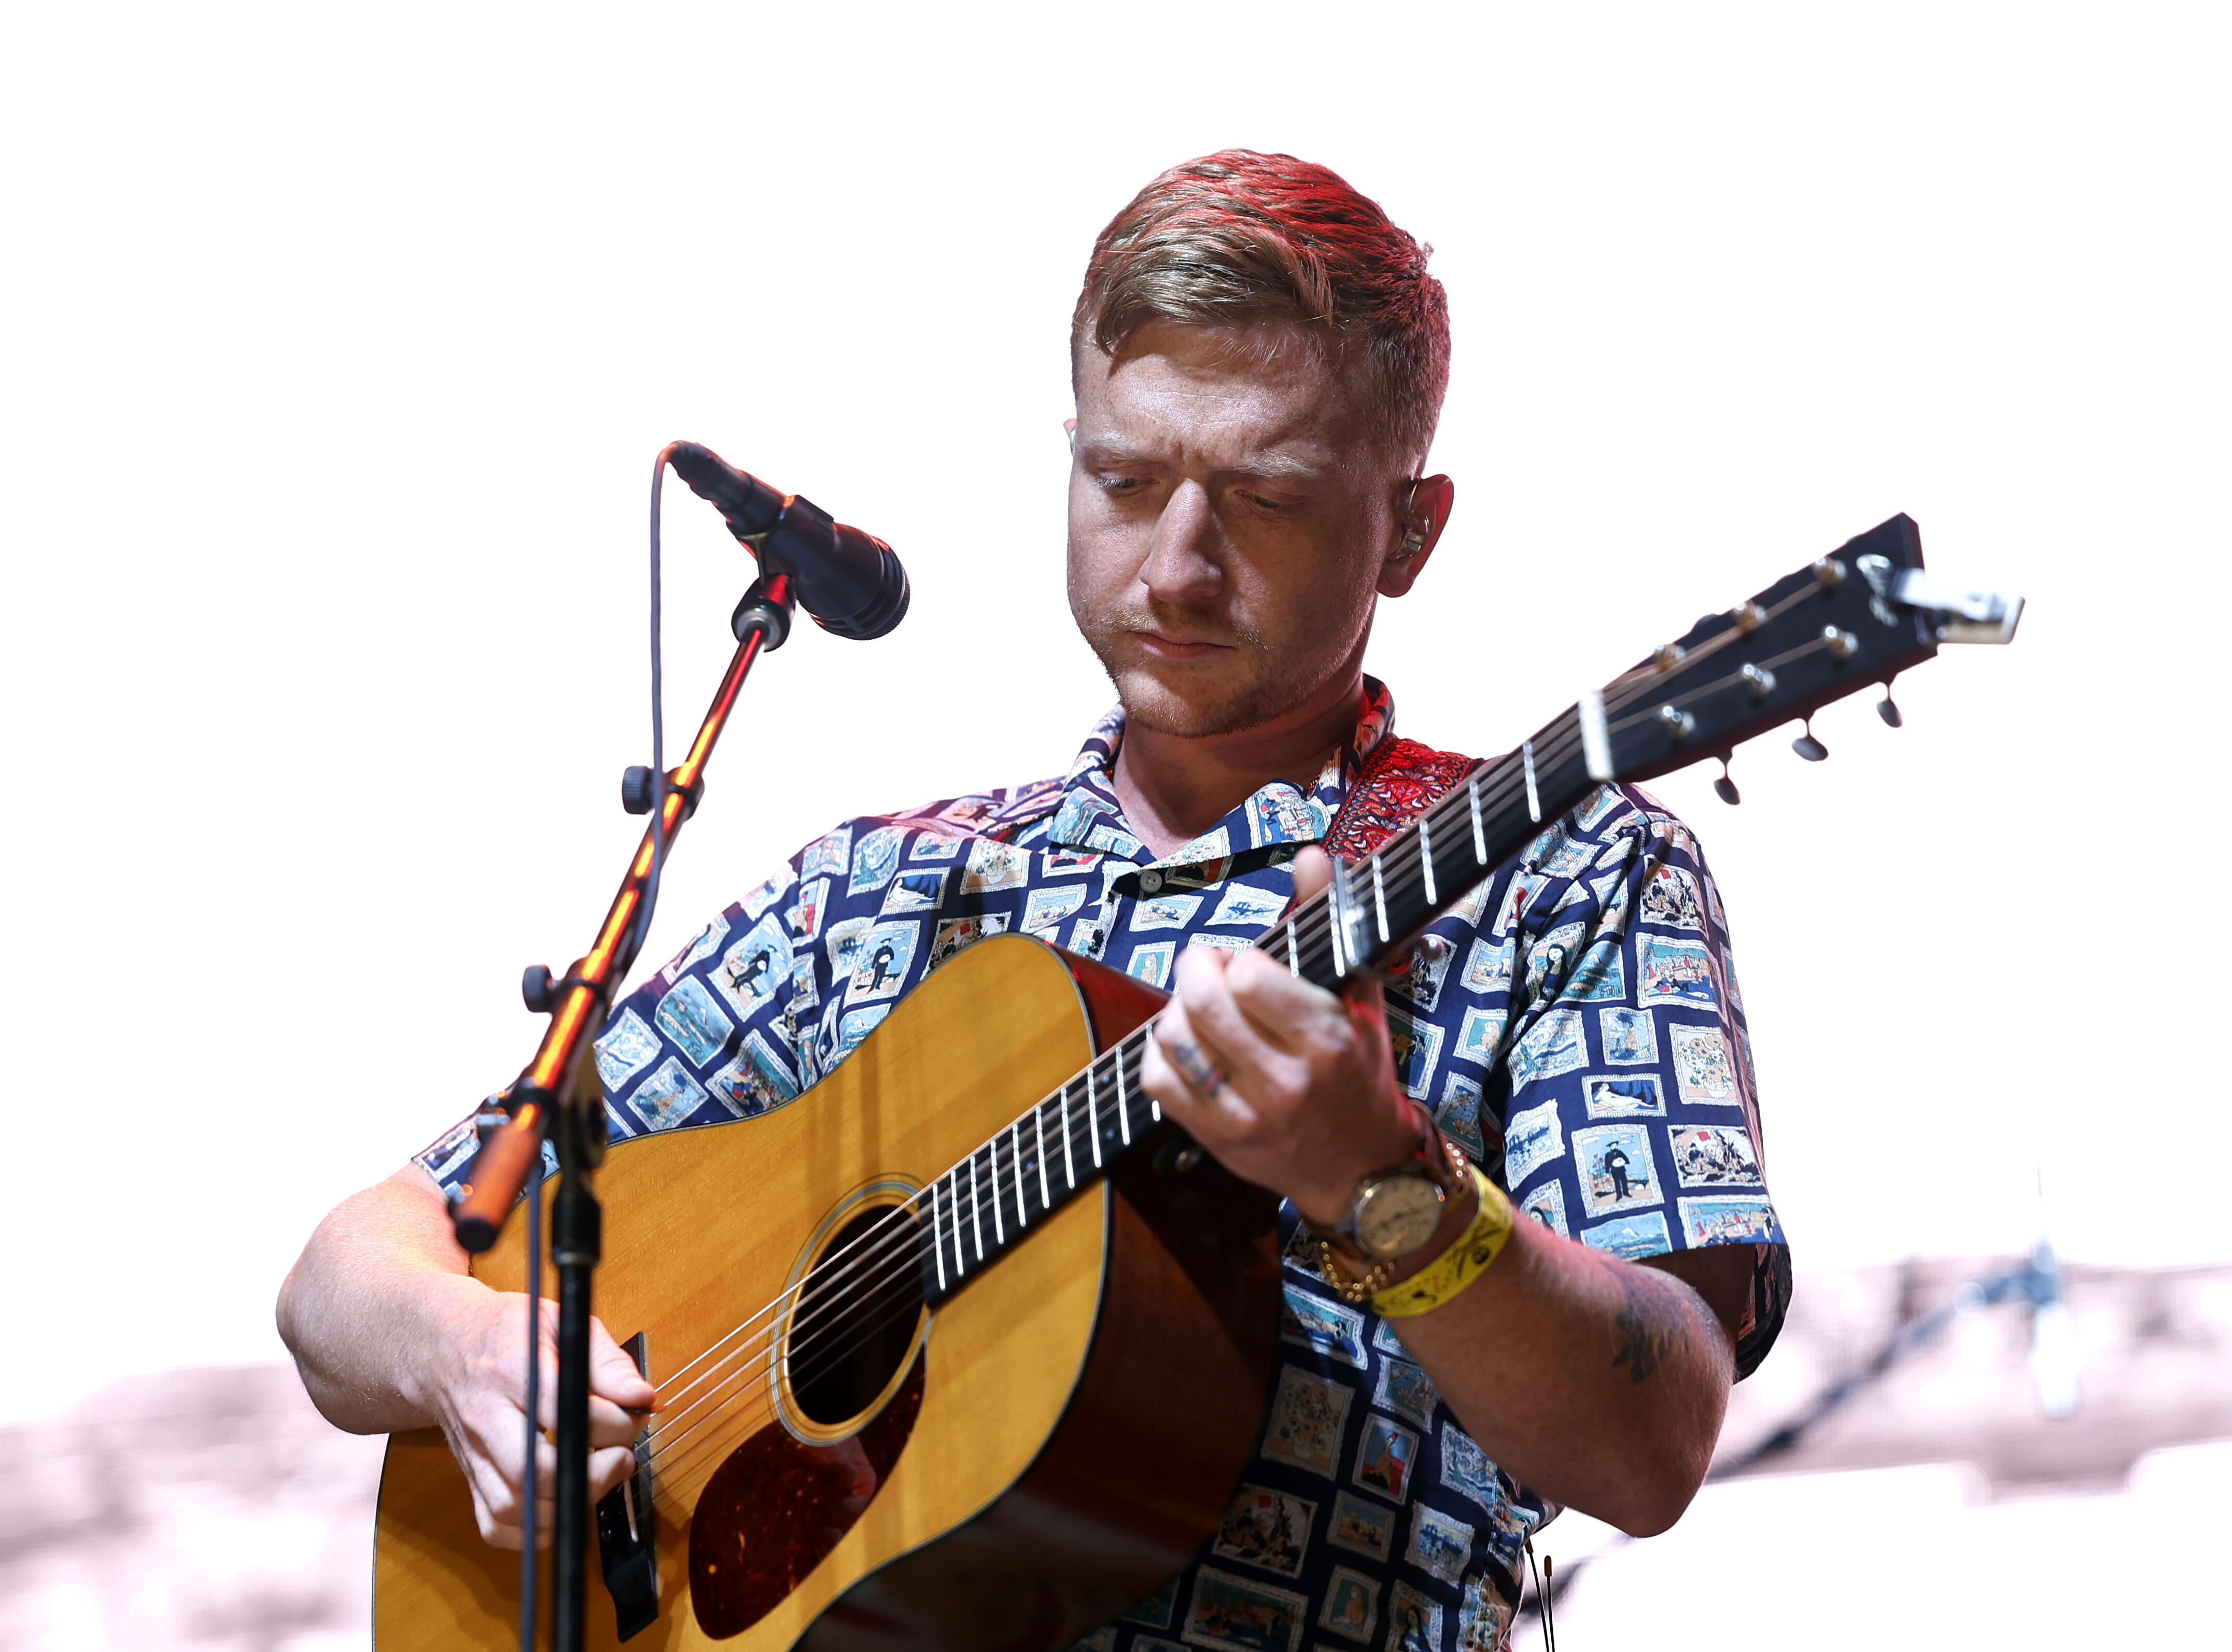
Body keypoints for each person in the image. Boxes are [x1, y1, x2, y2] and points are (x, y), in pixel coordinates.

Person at [277, 149, 1791, 1649]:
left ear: (1409, 526)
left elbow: (1645, 1447)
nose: (1178, 565)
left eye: (1263, 497)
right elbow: (351, 1273)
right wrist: (470, 1344)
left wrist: (1379, 1176)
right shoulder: (877, 894)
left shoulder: (1559, 870)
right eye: (1124, 481)